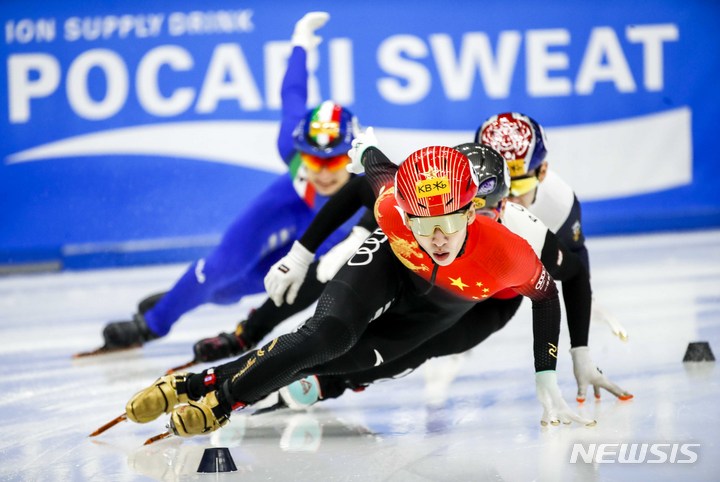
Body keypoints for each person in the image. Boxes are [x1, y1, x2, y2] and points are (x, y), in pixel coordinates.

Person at [123, 142, 597, 438]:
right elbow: (365, 173)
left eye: (454, 219)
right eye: (425, 221)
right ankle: (216, 397)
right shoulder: (396, 203)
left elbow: (555, 287)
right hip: (392, 266)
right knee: (324, 337)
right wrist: (303, 253)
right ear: (407, 212)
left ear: (479, 211)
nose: (438, 237)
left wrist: (556, 368)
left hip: (454, 306)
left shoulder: (515, 245)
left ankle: (207, 383)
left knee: (358, 358)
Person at [98, 12, 373, 351]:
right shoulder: (290, 143)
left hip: (332, 228)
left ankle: (187, 295)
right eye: (313, 159)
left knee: (236, 287)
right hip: (288, 201)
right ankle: (152, 324)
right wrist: (300, 41)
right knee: (220, 268)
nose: (324, 172)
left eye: (335, 160)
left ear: (354, 154)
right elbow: (293, 92)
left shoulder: (370, 177)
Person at [477, 112, 627, 340]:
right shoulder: (460, 195)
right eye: (499, 186)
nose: (511, 198)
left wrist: (586, 297)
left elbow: (575, 255)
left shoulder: (559, 203)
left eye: (521, 184)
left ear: (542, 172)